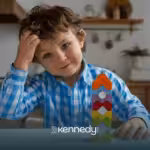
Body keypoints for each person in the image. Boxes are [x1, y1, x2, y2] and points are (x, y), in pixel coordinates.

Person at [0, 5, 149, 140]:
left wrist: (138, 119)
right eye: (47, 55)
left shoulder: (105, 80)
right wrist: (21, 62)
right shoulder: (40, 85)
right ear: (38, 61)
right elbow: (9, 112)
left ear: (80, 39)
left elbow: (134, 108)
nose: (61, 58)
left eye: (65, 45)